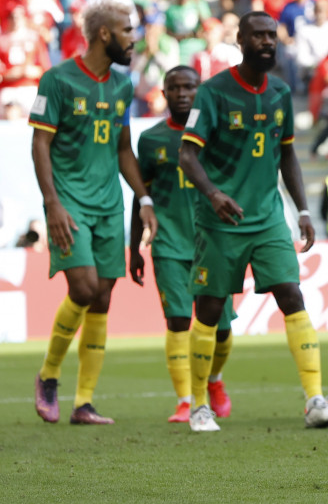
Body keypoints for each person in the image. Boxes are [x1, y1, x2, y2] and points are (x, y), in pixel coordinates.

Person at [178, 11, 328, 432]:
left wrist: (303, 210)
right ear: (240, 41)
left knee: (292, 295)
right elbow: (187, 154)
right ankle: (199, 404)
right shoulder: (215, 92)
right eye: (258, 35)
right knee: (212, 310)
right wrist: (214, 195)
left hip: (269, 217)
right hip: (222, 221)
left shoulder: (279, 92)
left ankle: (314, 400)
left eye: (272, 35)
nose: (268, 42)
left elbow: (288, 154)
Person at [30, 0, 158, 425]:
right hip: (70, 204)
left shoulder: (122, 85)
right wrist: (51, 203)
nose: (134, 38)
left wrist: (143, 199)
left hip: (109, 206)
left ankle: (83, 403)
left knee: (102, 299)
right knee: (83, 290)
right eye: (127, 31)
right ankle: (48, 375)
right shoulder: (57, 80)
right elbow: (40, 144)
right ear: (104, 34)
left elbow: (123, 149)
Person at [129, 66, 237, 423]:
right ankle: (187, 400)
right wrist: (134, 247)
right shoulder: (152, 139)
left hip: (213, 243)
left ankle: (215, 380)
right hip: (169, 244)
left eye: (189, 86)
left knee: (221, 331)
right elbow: (140, 197)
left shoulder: (217, 134)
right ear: (163, 93)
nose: (181, 93)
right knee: (177, 321)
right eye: (173, 87)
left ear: (199, 90)